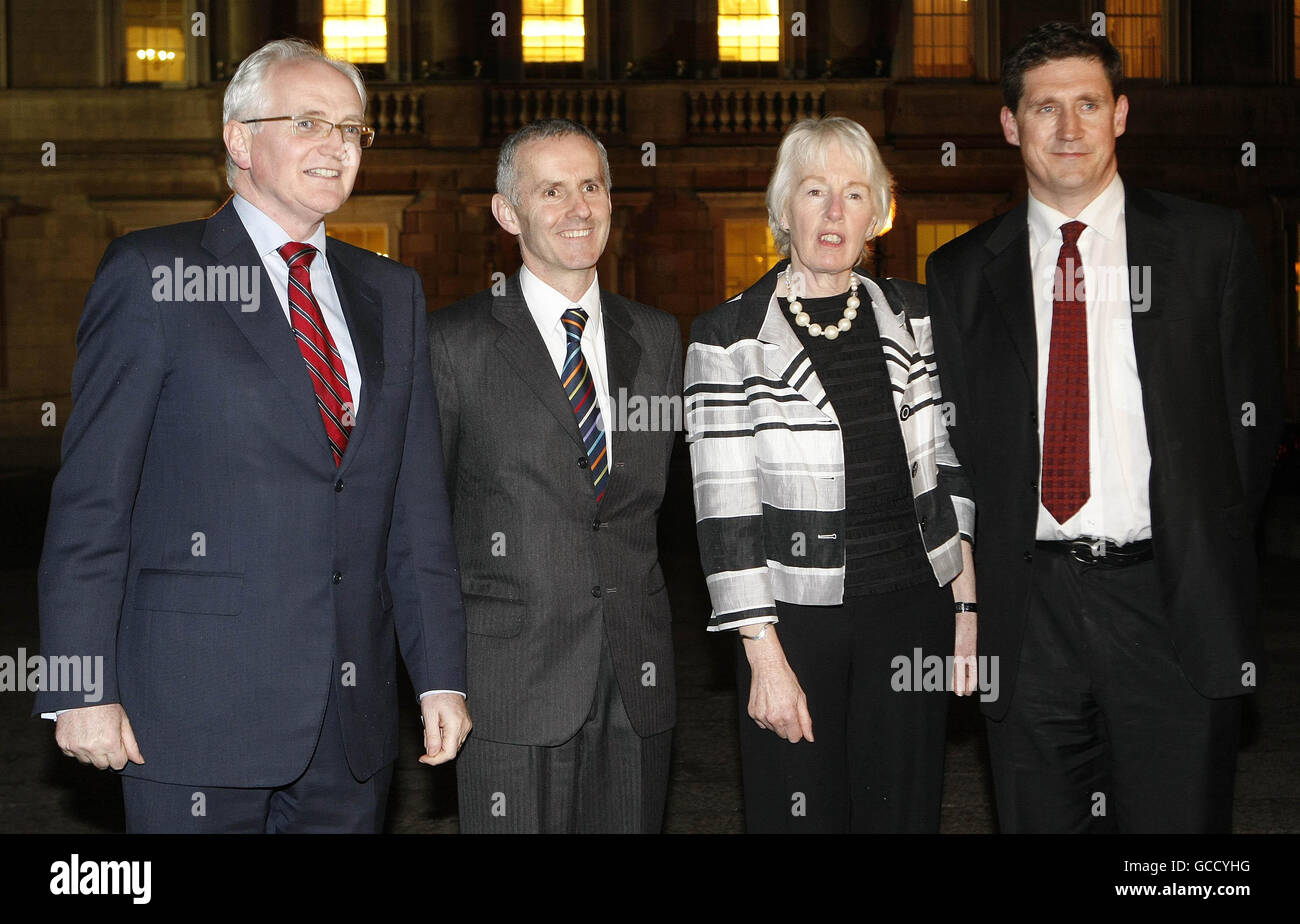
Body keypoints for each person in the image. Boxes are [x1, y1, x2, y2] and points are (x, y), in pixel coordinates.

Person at [34, 39, 469, 833]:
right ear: (239, 139)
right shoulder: (152, 271)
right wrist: (79, 685)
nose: (337, 145)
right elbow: (93, 500)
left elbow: (414, 512)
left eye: (351, 130)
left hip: (350, 725)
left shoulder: (391, 292)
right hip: (189, 712)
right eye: (309, 122)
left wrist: (440, 678)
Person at [925, 22, 1281, 833]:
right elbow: (955, 451)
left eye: (1088, 104)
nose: (1069, 128)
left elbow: (1248, 433)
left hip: (1171, 603)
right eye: (1045, 108)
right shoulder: (959, 274)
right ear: (1011, 125)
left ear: (1121, 114)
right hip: (1029, 611)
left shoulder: (1207, 245)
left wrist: (1201, 551)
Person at [685, 116, 978, 833]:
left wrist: (967, 611)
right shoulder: (727, 338)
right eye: (815, 191)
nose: (834, 212)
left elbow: (948, 468)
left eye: (854, 193)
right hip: (795, 623)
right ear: (784, 209)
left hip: (914, 608)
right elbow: (726, 517)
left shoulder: (917, 316)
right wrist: (764, 657)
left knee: (902, 812)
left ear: (879, 211)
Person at [428, 119, 680, 833]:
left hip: (637, 677)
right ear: (508, 213)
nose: (579, 209)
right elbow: (421, 526)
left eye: (592, 186)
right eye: (552, 191)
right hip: (507, 685)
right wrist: (436, 677)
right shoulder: (453, 344)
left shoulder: (657, 338)